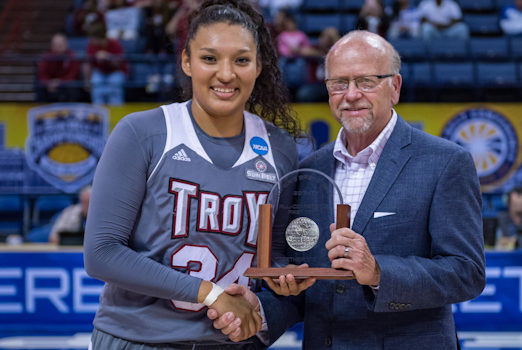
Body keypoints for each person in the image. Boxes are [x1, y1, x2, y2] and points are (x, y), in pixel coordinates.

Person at [209, 30, 486, 348]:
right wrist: (261, 308)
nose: (351, 94)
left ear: (394, 87)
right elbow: (303, 281)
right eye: (339, 83)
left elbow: (467, 272)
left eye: (366, 81)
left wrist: (379, 272)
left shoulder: (446, 162)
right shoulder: (309, 171)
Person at [83, 0, 301, 348]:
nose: (226, 74)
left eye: (241, 60)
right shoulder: (143, 133)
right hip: (138, 339)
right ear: (186, 61)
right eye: (209, 58)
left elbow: (272, 255)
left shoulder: (280, 147)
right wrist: (209, 293)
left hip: (234, 342)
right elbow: (102, 253)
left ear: (259, 66)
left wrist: (281, 282)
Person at [83, 20, 128, 105]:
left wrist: (108, 57)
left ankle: (116, 114)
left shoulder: (115, 44)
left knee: (114, 83)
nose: (92, 41)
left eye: (93, 39)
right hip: (100, 72)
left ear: (100, 38)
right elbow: (87, 64)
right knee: (96, 82)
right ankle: (99, 114)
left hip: (115, 72)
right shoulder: (91, 46)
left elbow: (119, 65)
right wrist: (87, 82)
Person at [36, 33, 81, 102]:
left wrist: (59, 82)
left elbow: (73, 74)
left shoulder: (72, 56)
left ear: (66, 45)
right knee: (41, 86)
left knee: (73, 86)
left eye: (60, 45)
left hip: (66, 85)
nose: (57, 48)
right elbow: (42, 73)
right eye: (55, 45)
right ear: (52, 46)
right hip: (50, 86)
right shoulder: (47, 57)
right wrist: (48, 83)